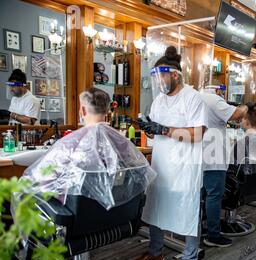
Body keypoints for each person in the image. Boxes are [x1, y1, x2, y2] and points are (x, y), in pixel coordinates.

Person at [128, 46, 207, 260]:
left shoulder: (192, 97)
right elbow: (155, 135)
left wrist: (165, 130)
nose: (159, 81)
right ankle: (155, 251)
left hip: (185, 166)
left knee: (188, 209)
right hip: (163, 163)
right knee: (156, 205)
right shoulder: (158, 101)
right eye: (156, 77)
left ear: (174, 75)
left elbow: (198, 134)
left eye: (162, 76)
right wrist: (148, 128)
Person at [20, 87, 155, 210]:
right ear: (108, 110)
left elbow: (41, 179)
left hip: (77, 216)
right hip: (115, 219)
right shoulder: (123, 143)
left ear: (82, 110)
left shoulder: (70, 144)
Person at [200, 85, 248, 248]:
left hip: (200, 153)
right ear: (218, 91)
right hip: (214, 155)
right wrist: (246, 106)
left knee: (204, 193)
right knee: (214, 194)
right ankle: (213, 235)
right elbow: (237, 115)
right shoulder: (214, 99)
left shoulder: (196, 98)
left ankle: (203, 227)